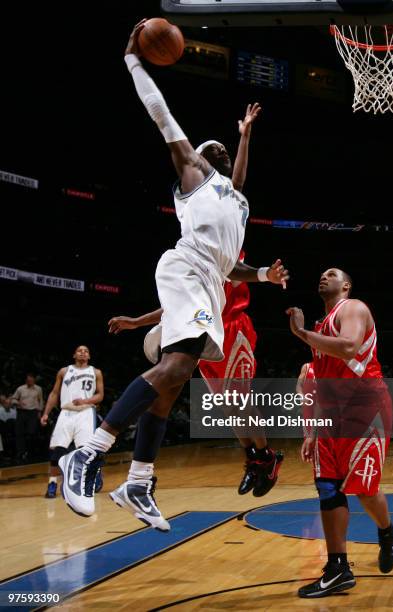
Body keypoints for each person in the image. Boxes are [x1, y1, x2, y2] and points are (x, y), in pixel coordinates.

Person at [59, 19, 289, 530]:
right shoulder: (195, 176)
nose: (219, 154)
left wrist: (265, 278)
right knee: (180, 366)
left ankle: (139, 480)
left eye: (224, 154)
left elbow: (235, 267)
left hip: (211, 279)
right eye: (213, 152)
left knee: (172, 385)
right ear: (198, 164)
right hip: (185, 269)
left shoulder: (238, 201)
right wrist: (133, 60)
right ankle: (88, 454)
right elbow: (161, 113)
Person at [108, 253, 285, 499]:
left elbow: (239, 271)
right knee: (227, 408)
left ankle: (268, 458)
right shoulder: (196, 263)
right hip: (208, 336)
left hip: (234, 332)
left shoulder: (226, 253)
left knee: (241, 401)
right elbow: (176, 308)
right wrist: (137, 322)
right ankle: (253, 459)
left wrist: (266, 273)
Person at [287, 268, 393, 598]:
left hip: (365, 409)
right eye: (319, 274)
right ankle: (338, 569)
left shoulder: (353, 308)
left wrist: (301, 332)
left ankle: (386, 530)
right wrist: (310, 431)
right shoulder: (321, 328)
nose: (323, 276)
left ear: (346, 285)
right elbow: (317, 385)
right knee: (327, 487)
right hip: (332, 417)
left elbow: (349, 346)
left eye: (331, 274)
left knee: (363, 489)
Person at [40, 346, 104, 498]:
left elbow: (100, 395)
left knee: (86, 451)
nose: (83, 352)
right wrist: (46, 413)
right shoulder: (64, 371)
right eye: (80, 350)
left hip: (86, 412)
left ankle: (91, 478)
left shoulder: (96, 372)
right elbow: (55, 393)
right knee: (57, 452)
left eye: (86, 351)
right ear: (74, 354)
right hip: (66, 412)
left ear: (89, 356)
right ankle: (52, 484)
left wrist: (85, 400)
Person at [11, 373, 43, 462]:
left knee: (31, 432)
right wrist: (18, 403)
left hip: (33, 412)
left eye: (31, 380)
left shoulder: (38, 389)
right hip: (22, 412)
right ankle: (20, 452)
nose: (29, 382)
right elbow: (13, 399)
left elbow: (40, 401)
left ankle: (30, 452)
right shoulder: (20, 388)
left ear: (34, 380)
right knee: (19, 433)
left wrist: (40, 412)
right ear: (26, 381)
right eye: (28, 380)